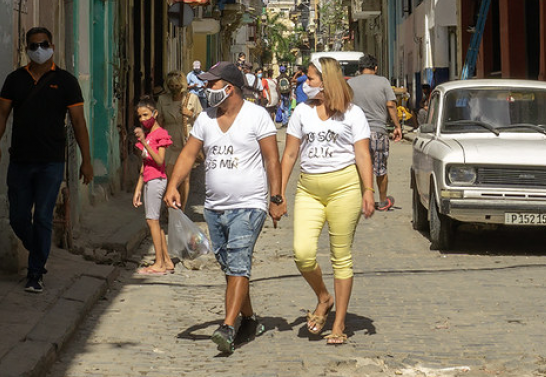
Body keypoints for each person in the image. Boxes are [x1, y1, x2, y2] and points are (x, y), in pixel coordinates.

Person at [164, 62, 281, 355]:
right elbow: (190, 153)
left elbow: (271, 159)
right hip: (215, 208)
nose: (206, 88)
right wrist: (172, 185)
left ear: (229, 87)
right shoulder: (205, 119)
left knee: (239, 262)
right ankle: (250, 319)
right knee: (230, 268)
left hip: (249, 204)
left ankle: (228, 327)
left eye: (212, 83)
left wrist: (276, 198)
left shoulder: (257, 117)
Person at [275, 57, 376, 345]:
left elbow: (363, 154)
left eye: (311, 79)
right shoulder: (301, 113)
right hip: (309, 189)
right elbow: (291, 155)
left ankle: (339, 324)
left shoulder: (353, 114)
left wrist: (368, 189)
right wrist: (279, 193)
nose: (306, 84)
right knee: (302, 253)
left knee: (341, 257)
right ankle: (323, 297)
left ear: (327, 80)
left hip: (345, 188)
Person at [0, 27, 94, 293]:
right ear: (26, 49)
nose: (38, 50)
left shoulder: (66, 81)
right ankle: (38, 249)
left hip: (51, 161)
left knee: (44, 216)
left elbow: (78, 122)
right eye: (33, 46)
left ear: (52, 46)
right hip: (20, 159)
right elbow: (1, 113)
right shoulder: (15, 80)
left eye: (43, 44)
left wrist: (86, 160)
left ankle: (35, 273)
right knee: (18, 217)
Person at [347, 54, 403, 211]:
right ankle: (383, 200)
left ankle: (358, 200)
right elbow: (391, 105)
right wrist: (397, 126)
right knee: (380, 169)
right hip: (378, 132)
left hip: (356, 133)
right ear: (375, 68)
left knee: (357, 166)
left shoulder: (350, 83)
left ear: (360, 68)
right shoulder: (383, 82)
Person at [132, 98, 174, 275]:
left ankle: (159, 264)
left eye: (146, 115)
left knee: (152, 220)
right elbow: (144, 166)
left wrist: (145, 144)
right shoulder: (149, 136)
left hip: (157, 179)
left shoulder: (160, 134)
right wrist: (138, 189)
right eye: (140, 116)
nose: (142, 119)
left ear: (155, 113)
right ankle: (166, 261)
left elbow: (159, 160)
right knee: (154, 221)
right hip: (149, 179)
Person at [158, 71, 201, 210]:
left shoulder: (192, 98)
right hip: (169, 138)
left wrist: (191, 114)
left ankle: (181, 209)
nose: (174, 88)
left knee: (185, 178)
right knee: (169, 176)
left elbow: (201, 120)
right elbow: (159, 120)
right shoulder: (162, 100)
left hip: (185, 137)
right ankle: (170, 205)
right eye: (171, 85)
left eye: (177, 85)